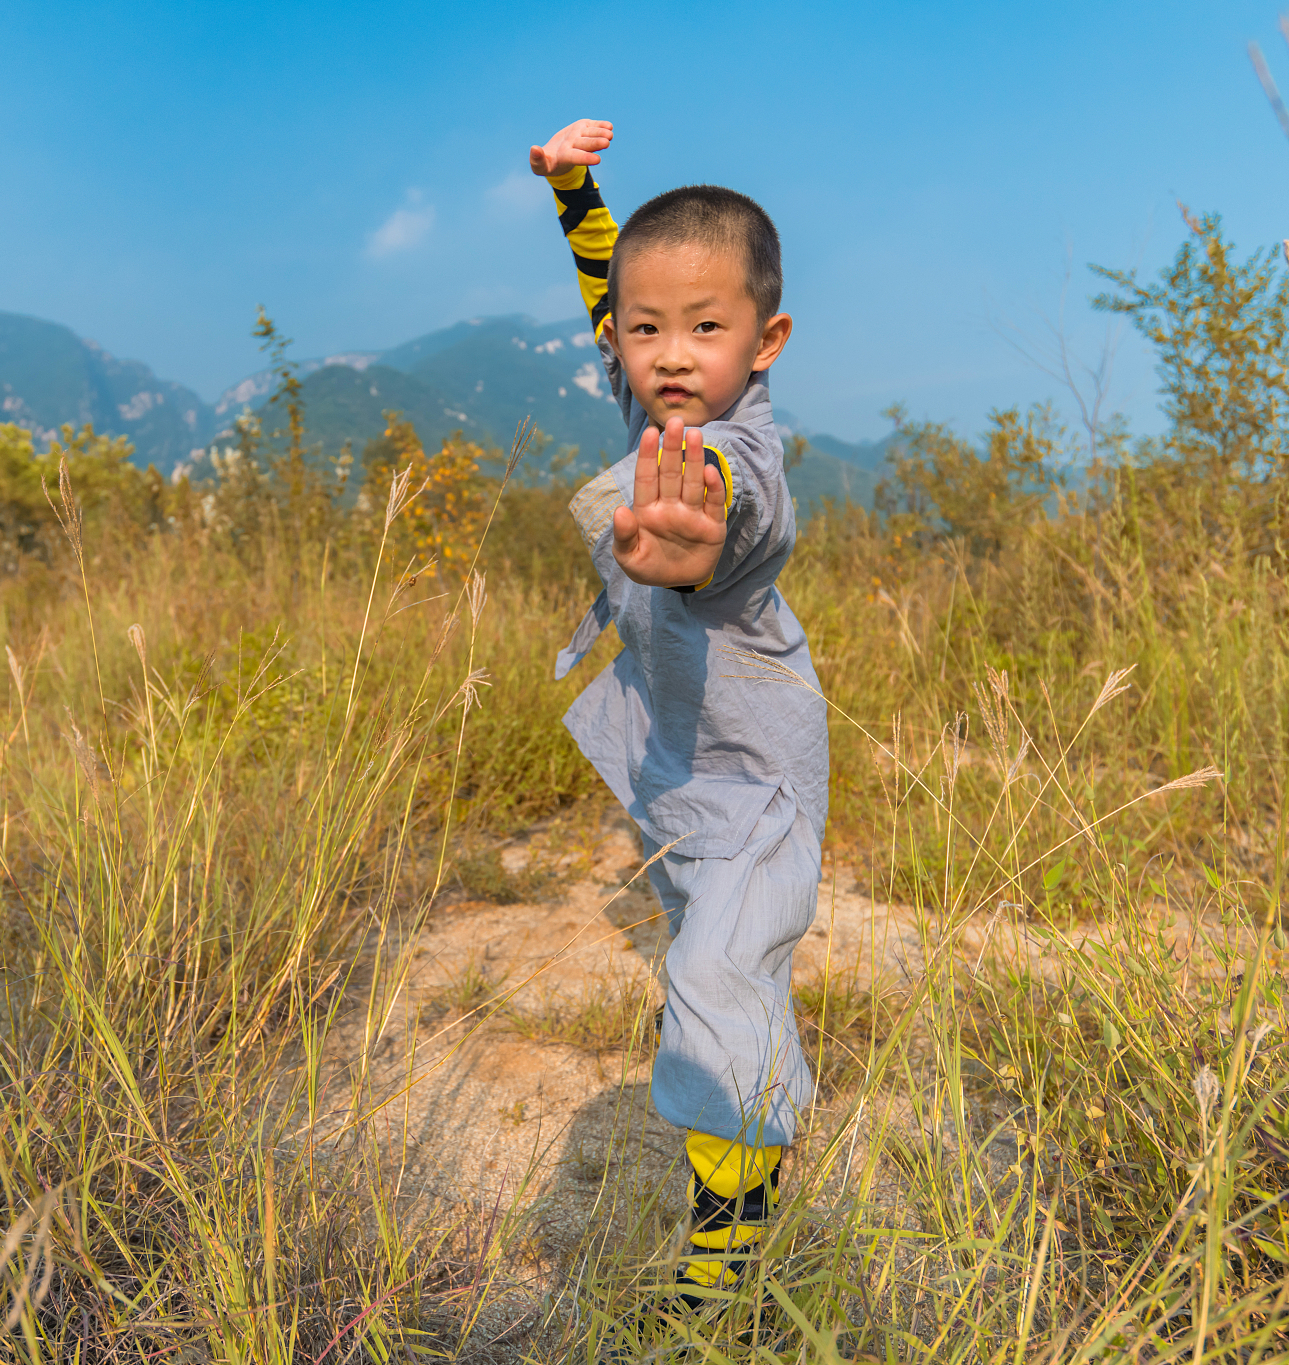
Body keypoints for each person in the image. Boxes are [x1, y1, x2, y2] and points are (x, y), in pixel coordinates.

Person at [530, 118, 829, 1306]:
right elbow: (615, 276)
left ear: (766, 342)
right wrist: (573, 190)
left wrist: (692, 552)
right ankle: (739, 1145)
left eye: (706, 328)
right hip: (667, 774)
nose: (669, 353)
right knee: (705, 965)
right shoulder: (647, 404)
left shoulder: (738, 454)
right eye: (645, 331)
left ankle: (729, 1258)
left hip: (755, 789)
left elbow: (743, 518)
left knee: (716, 994)